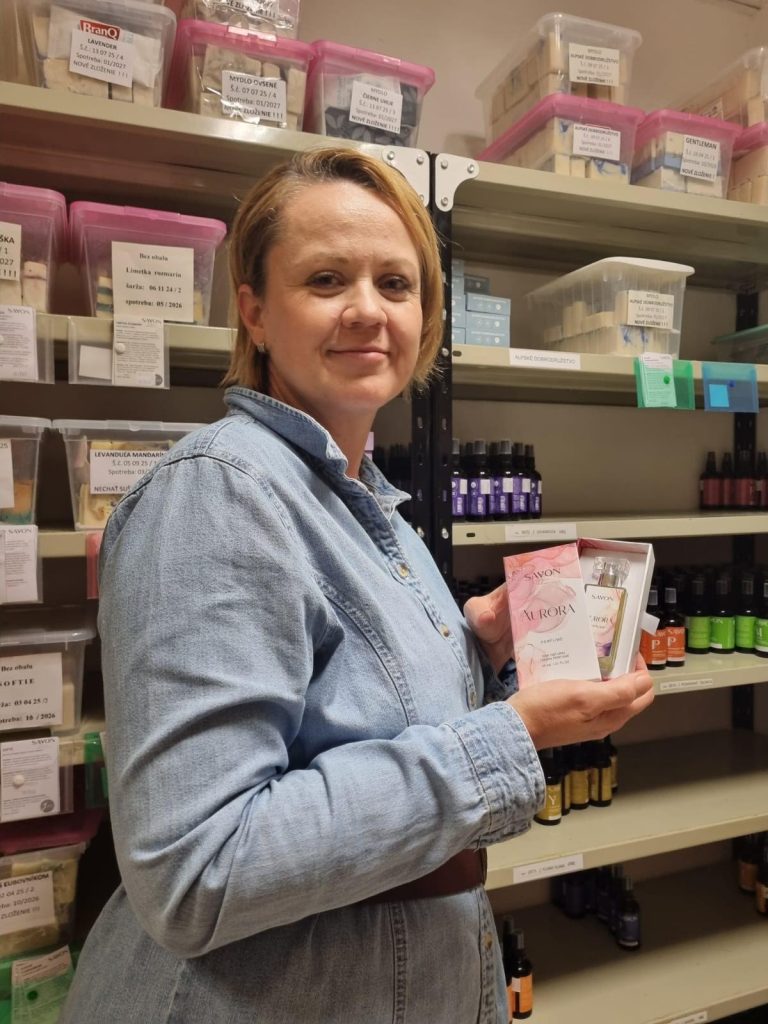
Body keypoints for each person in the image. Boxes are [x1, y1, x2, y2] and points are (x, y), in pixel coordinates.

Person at [60, 147, 653, 1024]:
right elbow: (198, 871)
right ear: (255, 312)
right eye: (326, 279)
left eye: (396, 284)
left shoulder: (371, 505)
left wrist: (481, 653)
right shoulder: (218, 492)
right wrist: (509, 735)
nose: (368, 310)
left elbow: (361, 714)